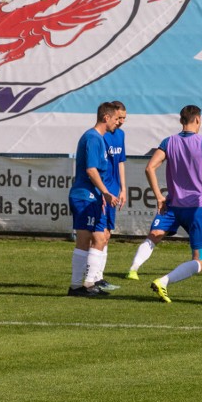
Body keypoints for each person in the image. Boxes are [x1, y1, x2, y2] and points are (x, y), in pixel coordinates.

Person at [147, 105, 202, 303]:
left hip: (176, 207)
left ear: (181, 121)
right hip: (198, 209)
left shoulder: (168, 142)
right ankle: (164, 281)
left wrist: (159, 197)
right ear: (197, 120)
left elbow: (149, 167)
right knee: (200, 261)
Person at [67, 102, 119, 298]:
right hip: (85, 196)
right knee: (84, 239)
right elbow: (91, 170)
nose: (117, 123)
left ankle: (90, 282)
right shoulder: (93, 138)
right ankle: (75, 286)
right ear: (106, 118)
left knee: (100, 237)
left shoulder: (100, 139)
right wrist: (105, 192)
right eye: (115, 119)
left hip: (95, 197)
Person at [127, 208, 202, 281]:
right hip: (174, 206)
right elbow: (150, 171)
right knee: (156, 234)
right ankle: (134, 268)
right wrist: (159, 196)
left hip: (196, 208)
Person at [96, 100, 128, 292]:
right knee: (100, 235)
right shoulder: (101, 135)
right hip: (103, 191)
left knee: (108, 234)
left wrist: (123, 188)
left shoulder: (121, 134)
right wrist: (102, 191)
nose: (121, 121)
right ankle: (95, 277)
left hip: (114, 190)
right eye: (119, 118)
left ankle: (99, 277)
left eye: (124, 118)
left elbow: (121, 162)